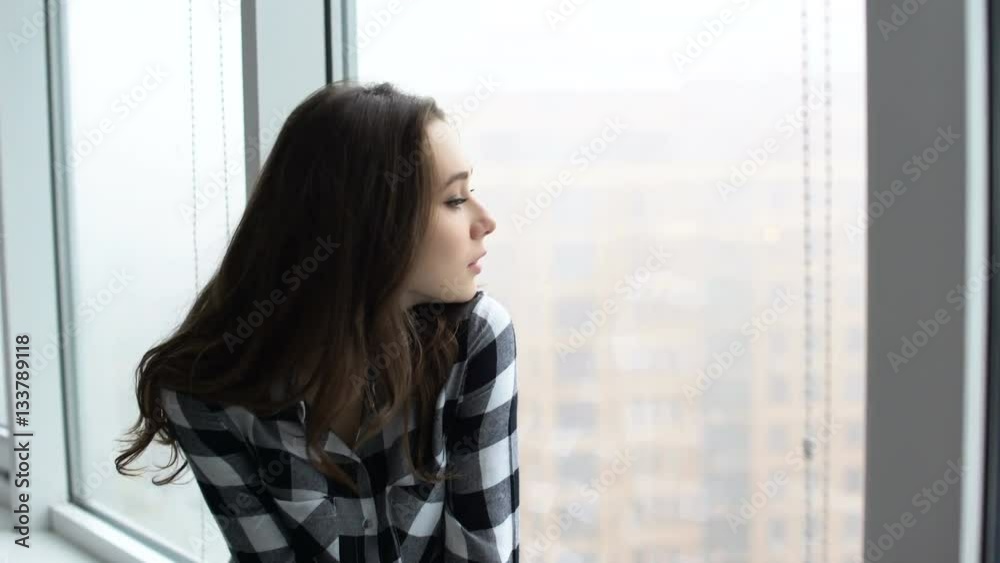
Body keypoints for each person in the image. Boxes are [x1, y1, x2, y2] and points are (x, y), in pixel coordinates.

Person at [114, 80, 518, 562]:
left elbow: (484, 554)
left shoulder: (476, 341)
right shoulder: (204, 390)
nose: (486, 219)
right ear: (371, 223)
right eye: (455, 200)